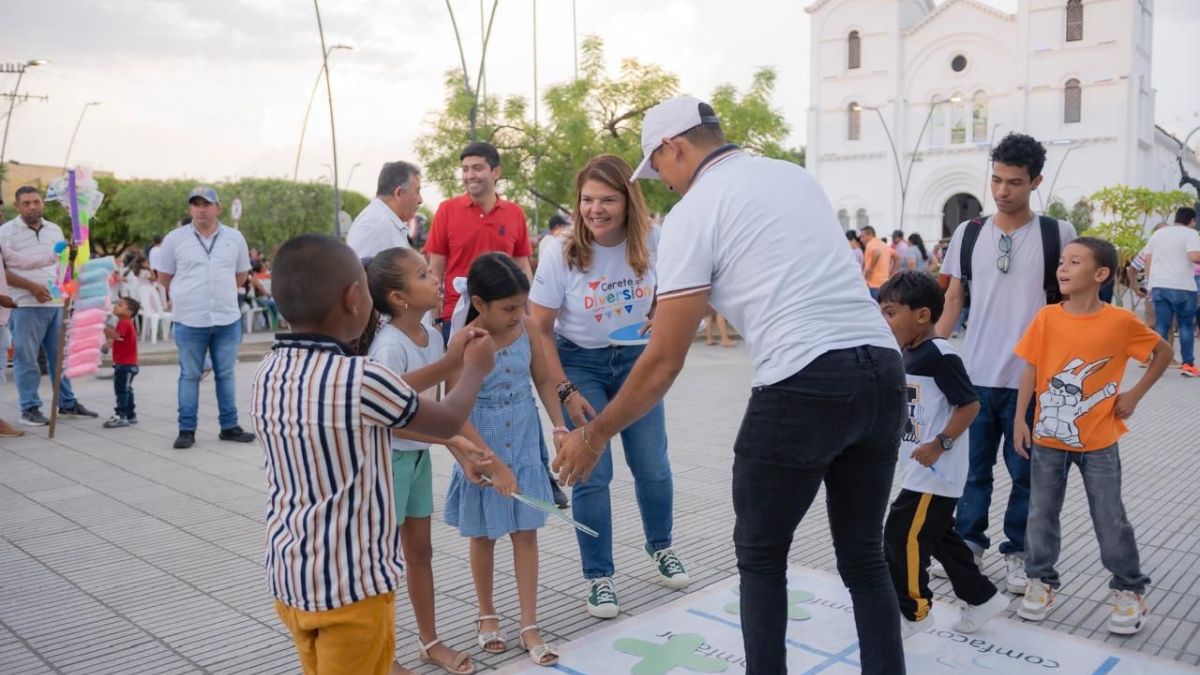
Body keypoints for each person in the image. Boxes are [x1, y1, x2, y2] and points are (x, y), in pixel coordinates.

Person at [553, 96, 906, 674]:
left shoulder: (695, 209)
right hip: (881, 369)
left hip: (802, 382)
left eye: (658, 167)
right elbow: (775, 267)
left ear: (676, 147)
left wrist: (593, 435)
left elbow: (664, 362)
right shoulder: (793, 176)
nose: (661, 183)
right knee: (865, 558)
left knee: (762, 560)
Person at [251, 234, 495, 675]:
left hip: (291, 575)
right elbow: (445, 420)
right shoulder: (359, 376)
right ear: (354, 298)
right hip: (352, 588)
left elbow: (394, 396)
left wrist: (446, 364)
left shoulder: (269, 371)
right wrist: (473, 369)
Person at [529, 155, 687, 620]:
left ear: (628, 201)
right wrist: (563, 391)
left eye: (608, 200)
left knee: (653, 465)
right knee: (592, 473)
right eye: (587, 200)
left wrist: (661, 308)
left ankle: (661, 547)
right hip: (582, 364)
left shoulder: (655, 240)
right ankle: (599, 577)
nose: (596, 209)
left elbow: (681, 285)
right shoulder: (558, 251)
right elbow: (539, 327)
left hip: (638, 362)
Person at [933, 133, 1077, 593]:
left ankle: (1018, 552)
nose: (1001, 191)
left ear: (1035, 181)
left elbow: (1073, 306)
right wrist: (929, 353)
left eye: (1014, 182)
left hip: (1033, 381)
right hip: (974, 375)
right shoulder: (970, 233)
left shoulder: (1058, 234)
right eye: (995, 180)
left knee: (1027, 477)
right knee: (972, 471)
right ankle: (968, 544)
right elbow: (954, 297)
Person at [1013, 237, 1172, 634]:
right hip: (1048, 437)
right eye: (1062, 261)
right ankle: (1041, 582)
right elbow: (1031, 369)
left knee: (1109, 516)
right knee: (1040, 514)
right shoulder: (1047, 317)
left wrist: (1134, 395)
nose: (1062, 268)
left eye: (1074, 262)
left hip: (1099, 441)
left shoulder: (1119, 322)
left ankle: (1128, 589)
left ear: (1100, 274)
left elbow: (1163, 353)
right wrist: (1021, 418)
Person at [362, 248, 486, 675]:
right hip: (387, 464)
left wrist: (460, 453)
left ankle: (429, 641)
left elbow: (433, 411)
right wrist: (451, 441)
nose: (435, 277)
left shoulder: (432, 336)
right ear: (399, 298)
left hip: (415, 462)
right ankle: (382, 657)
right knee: (382, 565)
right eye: (422, 274)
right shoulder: (388, 348)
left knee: (420, 553)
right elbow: (389, 424)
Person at [443, 253, 563, 668]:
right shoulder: (464, 341)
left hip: (524, 439)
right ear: (479, 303)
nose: (518, 315)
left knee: (526, 532)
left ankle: (529, 622)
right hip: (483, 443)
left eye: (521, 306)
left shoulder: (527, 328)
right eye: (508, 308)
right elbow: (453, 411)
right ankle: (486, 611)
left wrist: (559, 428)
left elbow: (544, 379)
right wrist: (488, 463)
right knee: (485, 534)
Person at [877, 272, 1008, 638]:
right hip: (920, 467)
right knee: (937, 537)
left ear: (921, 315)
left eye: (890, 313)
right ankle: (982, 599)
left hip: (937, 472)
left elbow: (969, 405)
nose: (884, 321)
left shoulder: (940, 354)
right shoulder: (910, 353)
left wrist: (940, 445)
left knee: (901, 535)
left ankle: (914, 611)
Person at [157, 186, 256, 450]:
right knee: (189, 374)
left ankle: (229, 426)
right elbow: (164, 277)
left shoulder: (234, 238)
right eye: (196, 204)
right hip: (190, 319)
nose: (201, 209)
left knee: (226, 373)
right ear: (190, 209)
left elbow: (241, 275)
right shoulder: (175, 239)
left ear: (218, 208)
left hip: (226, 319)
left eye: (207, 204)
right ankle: (186, 429)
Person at [1, 186, 100, 426]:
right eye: (26, 203)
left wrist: (69, 267)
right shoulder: (5, 231)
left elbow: (58, 262)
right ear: (17, 206)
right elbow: (4, 270)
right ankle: (30, 407)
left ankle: (66, 402)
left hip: (56, 302)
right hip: (24, 303)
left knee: (60, 357)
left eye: (36, 202)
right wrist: (32, 288)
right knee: (27, 358)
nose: (32, 206)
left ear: (43, 203)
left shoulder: (54, 229)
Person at [426, 142, 533, 344]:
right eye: (465, 169)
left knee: (505, 374)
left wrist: (526, 308)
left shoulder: (515, 213)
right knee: (461, 374)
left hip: (505, 312)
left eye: (477, 168)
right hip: (456, 314)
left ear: (496, 172)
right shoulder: (446, 210)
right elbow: (436, 267)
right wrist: (435, 314)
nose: (469, 175)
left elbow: (522, 265)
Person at [1143, 207, 1200, 377]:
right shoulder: (1190, 233)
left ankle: (1157, 363)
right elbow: (1194, 256)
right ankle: (1188, 365)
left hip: (1159, 285)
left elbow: (1147, 259)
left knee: (1162, 325)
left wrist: (1150, 282)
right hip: (1183, 286)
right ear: (1192, 220)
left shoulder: (1159, 233)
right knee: (1185, 326)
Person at [346, 161, 423, 258]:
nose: (421, 200)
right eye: (417, 192)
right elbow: (360, 272)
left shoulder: (384, 223)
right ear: (399, 193)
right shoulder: (374, 227)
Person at [100, 297, 141, 429]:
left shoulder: (124, 323)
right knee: (127, 389)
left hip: (125, 364)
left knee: (121, 390)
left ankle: (121, 415)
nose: (116, 306)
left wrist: (103, 327)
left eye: (120, 305)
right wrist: (107, 345)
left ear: (129, 311)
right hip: (127, 364)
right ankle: (130, 415)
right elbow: (120, 339)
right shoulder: (125, 322)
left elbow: (117, 336)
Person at [860, 226, 892, 300]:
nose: (861, 240)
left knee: (874, 309)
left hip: (873, 284)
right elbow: (897, 257)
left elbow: (877, 253)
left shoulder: (871, 244)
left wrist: (870, 269)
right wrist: (892, 271)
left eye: (862, 237)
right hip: (884, 283)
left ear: (870, 235)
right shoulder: (883, 244)